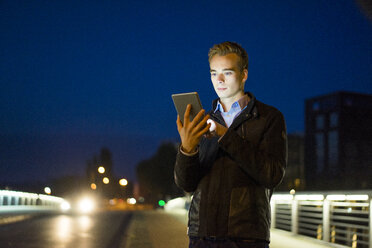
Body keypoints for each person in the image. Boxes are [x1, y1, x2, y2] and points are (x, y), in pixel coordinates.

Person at [174, 41, 287, 248]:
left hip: (246, 237)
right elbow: (186, 184)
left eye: (227, 72)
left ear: (244, 75)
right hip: (201, 237)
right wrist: (187, 149)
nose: (219, 80)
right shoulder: (201, 120)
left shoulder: (268, 118)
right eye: (213, 73)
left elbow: (273, 175)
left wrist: (224, 134)